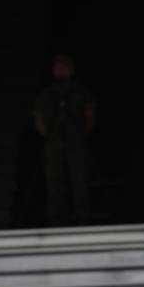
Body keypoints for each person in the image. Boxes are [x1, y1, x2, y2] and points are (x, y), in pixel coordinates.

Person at [33, 53, 96, 226]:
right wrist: (51, 135)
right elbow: (39, 121)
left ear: (71, 70)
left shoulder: (80, 91)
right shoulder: (46, 93)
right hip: (54, 143)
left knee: (79, 181)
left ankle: (83, 220)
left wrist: (79, 135)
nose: (61, 69)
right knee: (54, 184)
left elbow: (89, 116)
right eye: (58, 66)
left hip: (76, 142)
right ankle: (56, 222)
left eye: (64, 66)